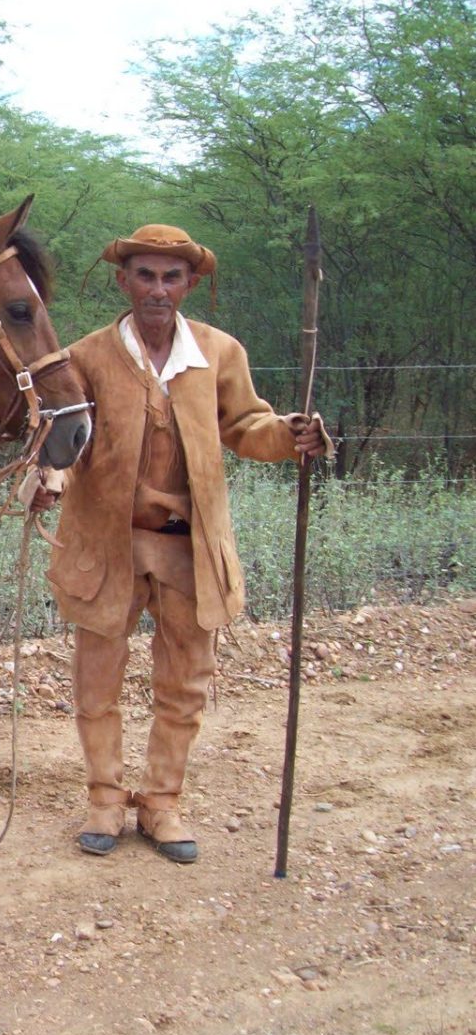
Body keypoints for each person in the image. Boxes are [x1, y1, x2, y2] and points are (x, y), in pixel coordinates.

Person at [31, 224, 330, 863]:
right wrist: (48, 475)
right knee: (96, 682)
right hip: (106, 548)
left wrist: (290, 433)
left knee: (185, 684)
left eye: (171, 277)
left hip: (189, 550)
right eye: (145, 275)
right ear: (124, 281)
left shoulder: (218, 353)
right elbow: (61, 435)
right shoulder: (86, 356)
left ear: (189, 284)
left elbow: (248, 426)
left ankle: (163, 803)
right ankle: (105, 800)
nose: (158, 289)